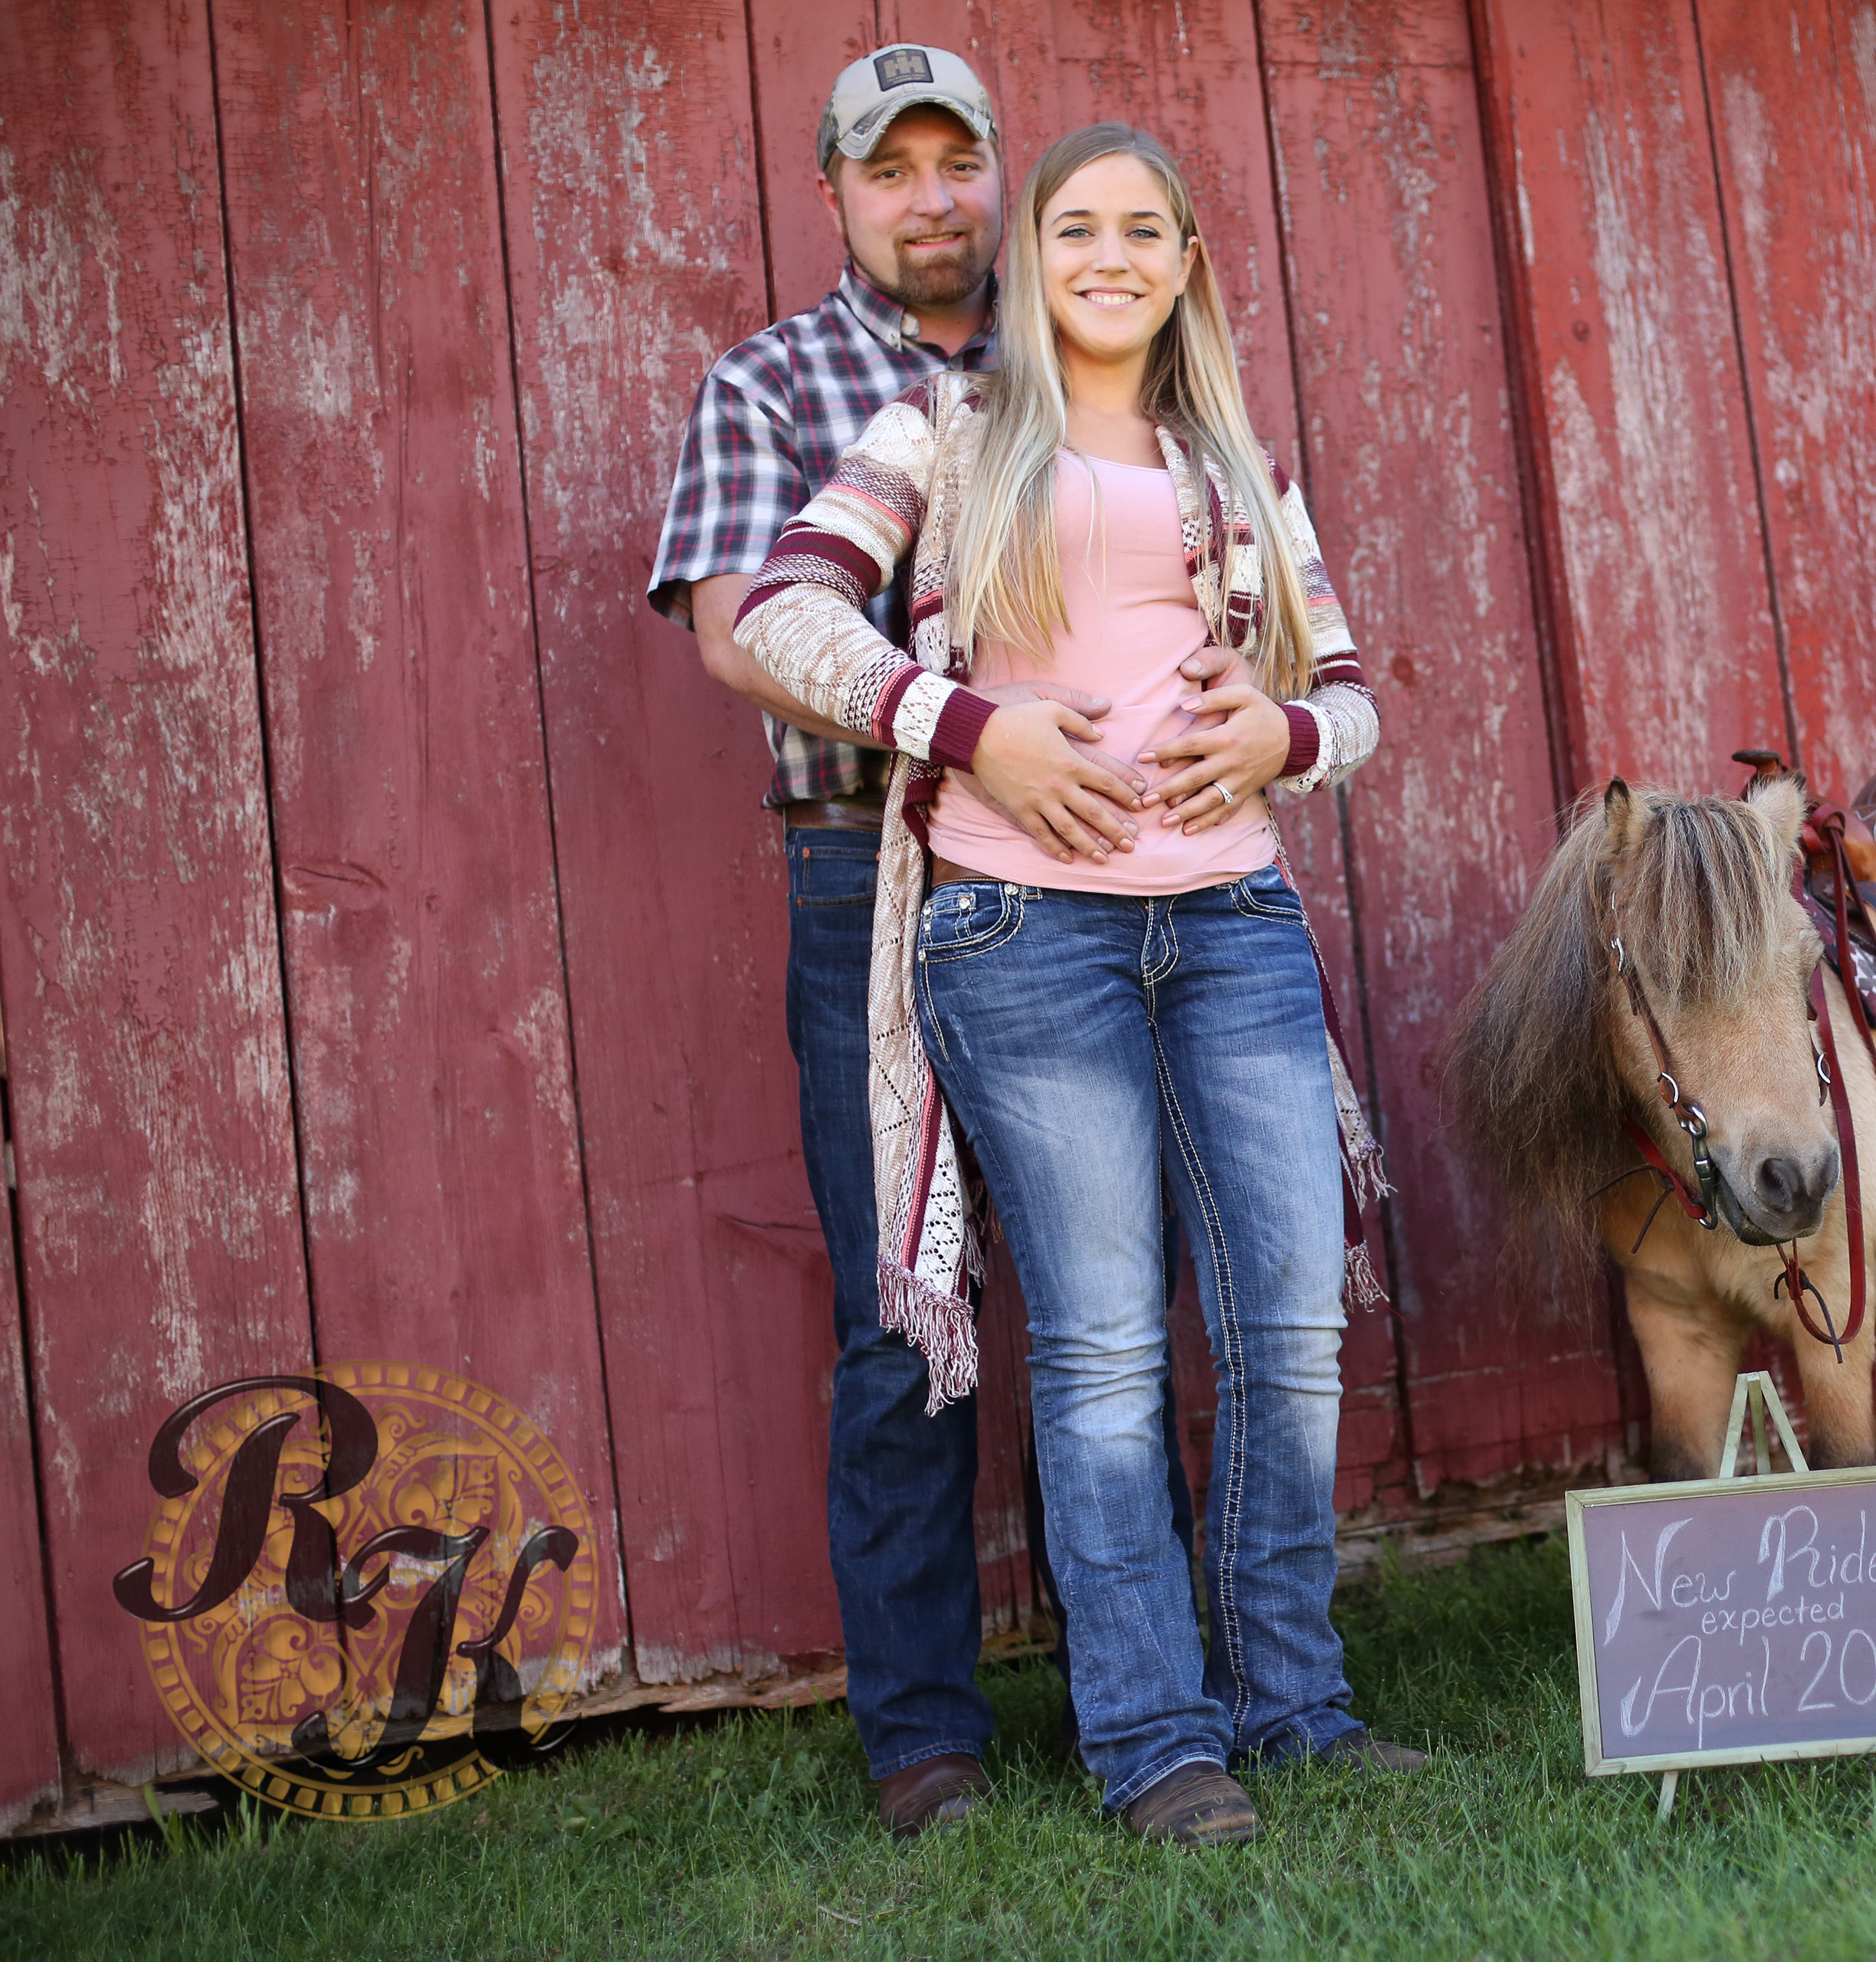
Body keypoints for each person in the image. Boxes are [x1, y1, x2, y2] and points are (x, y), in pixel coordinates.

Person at [733, 121, 1419, 1846]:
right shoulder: (945, 434)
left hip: (1236, 923)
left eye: (1142, 231)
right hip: (1026, 932)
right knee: (1105, 1348)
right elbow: (784, 611)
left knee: (1292, 1333)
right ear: (1032, 259)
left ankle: (1293, 1705)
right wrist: (973, 729)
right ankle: (1155, 1742)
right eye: (1076, 229)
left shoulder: (1234, 463)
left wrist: (1284, 735)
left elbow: (1349, 693)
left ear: (1186, 265)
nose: (1109, 256)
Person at [647, 46, 1193, 1843]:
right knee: (904, 1306)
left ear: (999, 178)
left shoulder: (1086, 362)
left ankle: (1155, 1694)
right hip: (866, 871)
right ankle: (925, 1733)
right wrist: (968, 721)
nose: (934, 198)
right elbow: (739, 630)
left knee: (1112, 1290)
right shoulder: (773, 383)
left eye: (961, 163)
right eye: (893, 170)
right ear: (836, 194)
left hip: (1096, 866)